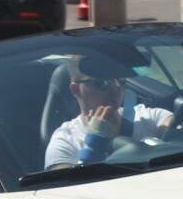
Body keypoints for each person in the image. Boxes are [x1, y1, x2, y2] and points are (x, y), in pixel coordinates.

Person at [44, 57, 175, 169]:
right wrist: (96, 145)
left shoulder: (148, 117)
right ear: (76, 90)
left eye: (121, 80)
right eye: (102, 83)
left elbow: (181, 133)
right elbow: (64, 191)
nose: (116, 88)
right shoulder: (65, 140)